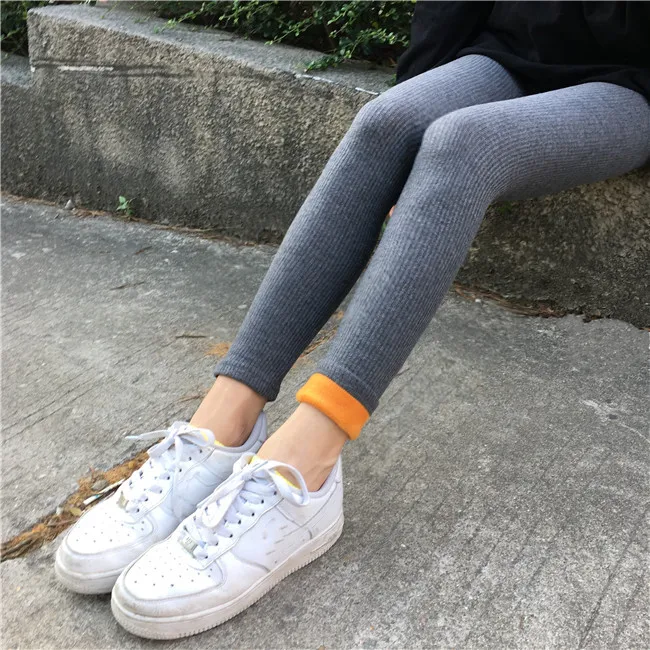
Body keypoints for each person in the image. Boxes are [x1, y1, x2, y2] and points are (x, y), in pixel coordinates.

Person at [55, 0, 650, 639]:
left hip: (628, 79)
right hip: (510, 47)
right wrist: (414, 115)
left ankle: (306, 468)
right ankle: (222, 426)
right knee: (385, 124)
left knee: (465, 144)